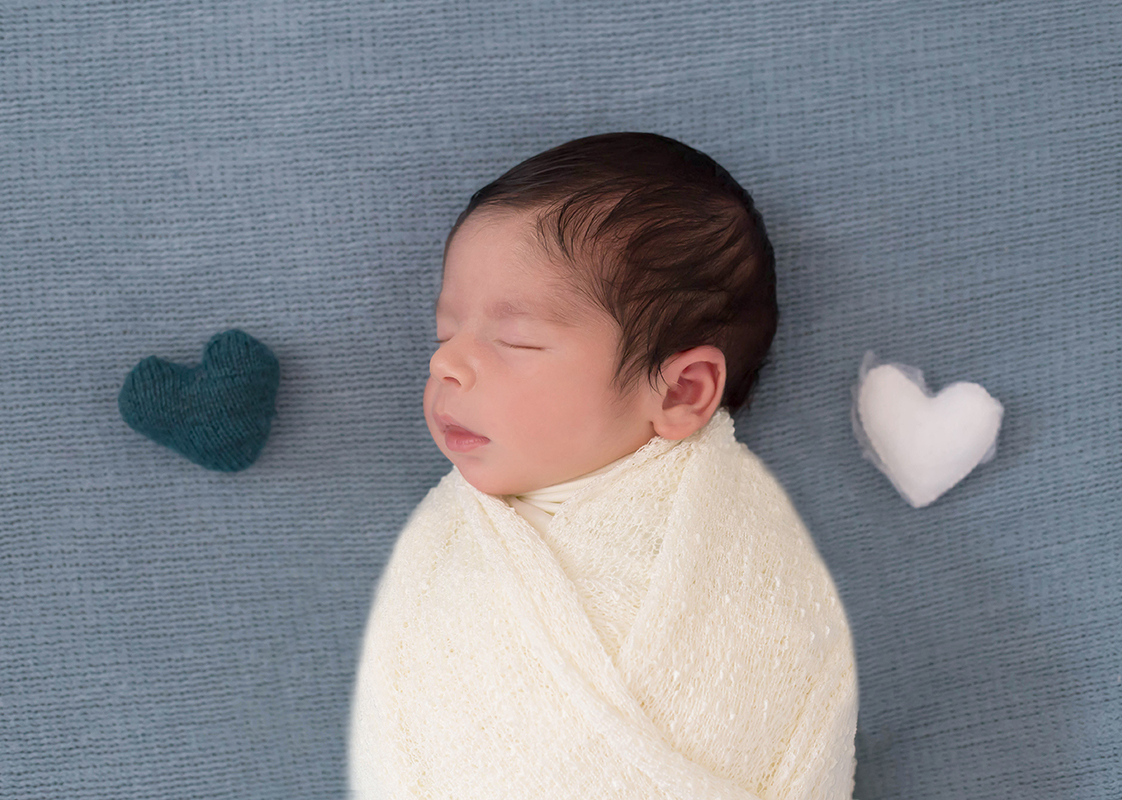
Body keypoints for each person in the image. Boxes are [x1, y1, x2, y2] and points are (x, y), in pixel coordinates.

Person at [349, 132, 858, 799]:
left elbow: (788, 704)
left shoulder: (744, 568)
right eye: (446, 335)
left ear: (680, 392)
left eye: (515, 339)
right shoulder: (446, 547)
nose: (445, 364)